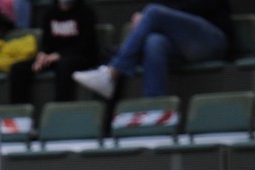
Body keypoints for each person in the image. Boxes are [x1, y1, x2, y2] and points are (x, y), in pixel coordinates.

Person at [72, 0, 233, 100]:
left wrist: (151, 17)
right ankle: (155, 108)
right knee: (154, 41)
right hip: (183, 48)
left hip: (213, 41)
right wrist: (143, 18)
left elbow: (197, 7)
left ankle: (112, 72)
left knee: (153, 12)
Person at [8, 0, 98, 104]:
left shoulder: (86, 12)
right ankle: (21, 115)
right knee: (18, 68)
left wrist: (59, 55)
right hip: (54, 58)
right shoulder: (50, 12)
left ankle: (61, 110)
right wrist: (42, 55)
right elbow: (47, 44)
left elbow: (87, 45)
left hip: (81, 57)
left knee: (64, 65)